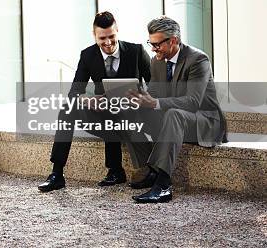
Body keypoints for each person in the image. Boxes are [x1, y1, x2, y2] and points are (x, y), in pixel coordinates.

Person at [38, 11, 151, 192]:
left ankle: (116, 170)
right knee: (68, 108)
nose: (108, 42)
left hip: (134, 115)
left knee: (116, 113)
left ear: (117, 31)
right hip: (105, 114)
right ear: (95, 36)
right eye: (102, 38)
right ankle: (57, 173)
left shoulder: (136, 51)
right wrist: (86, 99)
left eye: (112, 36)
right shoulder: (88, 55)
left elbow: (156, 85)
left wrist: (144, 98)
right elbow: (74, 91)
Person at [128, 16, 227, 203]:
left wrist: (155, 103)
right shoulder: (157, 61)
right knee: (133, 112)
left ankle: (163, 185)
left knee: (174, 114)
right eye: (151, 43)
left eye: (157, 44)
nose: (153, 49)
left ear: (173, 40)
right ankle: (151, 169)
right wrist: (141, 100)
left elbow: (193, 102)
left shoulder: (198, 60)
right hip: (175, 119)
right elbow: (156, 94)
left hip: (205, 121)